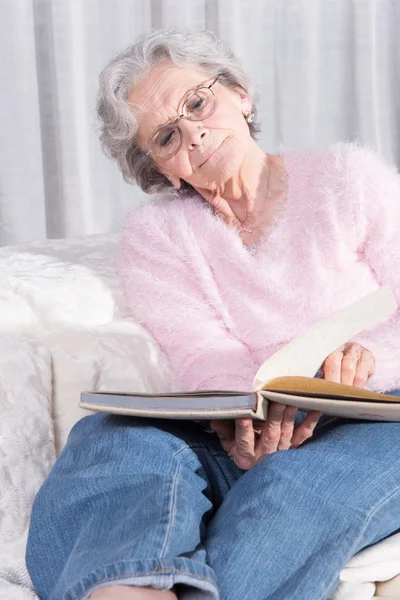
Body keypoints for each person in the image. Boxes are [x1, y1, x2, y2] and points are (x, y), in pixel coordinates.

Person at [26, 29, 400, 600]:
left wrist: (370, 356)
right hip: (251, 433)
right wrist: (244, 419)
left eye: (197, 103)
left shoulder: (349, 178)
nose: (195, 133)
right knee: (112, 438)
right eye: (168, 136)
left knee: (290, 485)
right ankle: (129, 585)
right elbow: (202, 350)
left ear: (241, 95)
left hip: (378, 419)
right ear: (162, 170)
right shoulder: (158, 235)